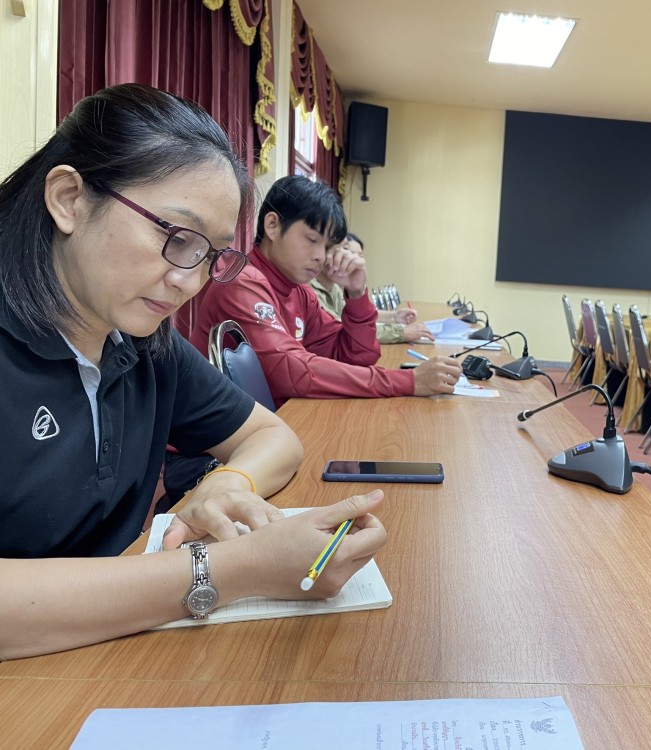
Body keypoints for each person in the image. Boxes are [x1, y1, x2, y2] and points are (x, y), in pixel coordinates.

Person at [0, 84, 387, 660]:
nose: (189, 280)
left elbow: (273, 436)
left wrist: (227, 485)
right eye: (175, 238)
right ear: (69, 199)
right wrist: (230, 569)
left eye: (209, 255)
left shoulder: (143, 343)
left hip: (110, 655)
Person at [189, 176, 460, 408]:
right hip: (214, 444)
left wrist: (357, 294)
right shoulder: (242, 282)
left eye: (328, 247)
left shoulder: (299, 291)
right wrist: (408, 381)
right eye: (311, 240)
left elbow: (357, 357)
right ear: (272, 226)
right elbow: (292, 372)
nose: (321, 256)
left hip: (267, 425)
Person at [310, 232, 434, 344]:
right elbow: (351, 331)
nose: (350, 258)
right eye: (339, 249)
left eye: (346, 249)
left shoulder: (334, 287)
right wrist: (401, 333)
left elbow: (357, 319)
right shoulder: (310, 290)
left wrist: (394, 316)